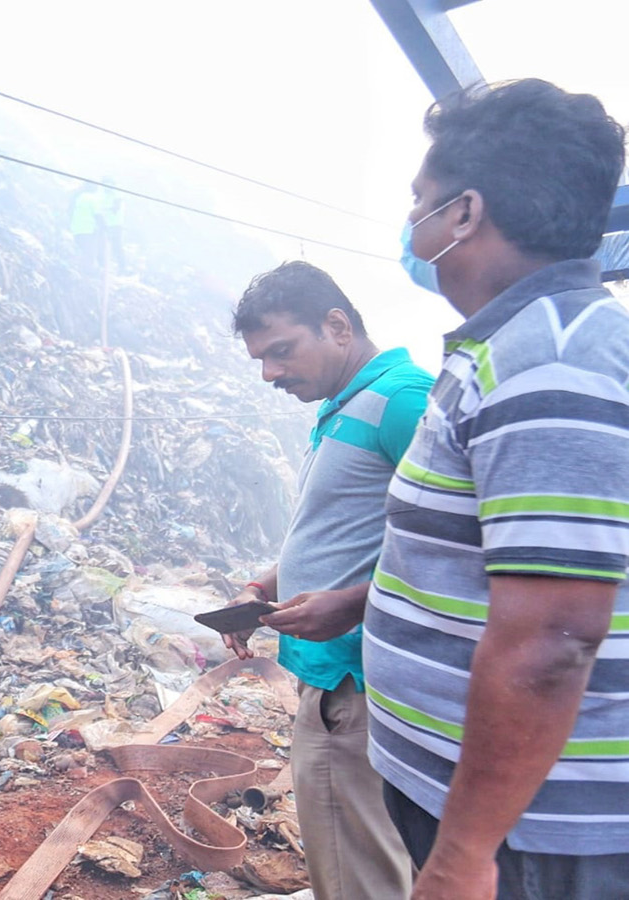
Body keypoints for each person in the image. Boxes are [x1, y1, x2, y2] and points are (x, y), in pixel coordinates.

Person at [364, 78, 629, 900]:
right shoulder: (513, 348)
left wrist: (464, 853)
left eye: (421, 201)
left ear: (466, 214)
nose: (413, 221)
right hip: (494, 817)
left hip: (530, 836)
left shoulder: (552, 362)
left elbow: (553, 641)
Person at [227, 261, 431, 900]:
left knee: (357, 879)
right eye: (261, 359)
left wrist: (353, 605)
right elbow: (346, 530)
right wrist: (264, 587)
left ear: (338, 326)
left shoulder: (404, 402)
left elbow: (466, 545)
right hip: (338, 680)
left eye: (282, 351)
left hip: (362, 685)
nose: (270, 373)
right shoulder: (345, 405)